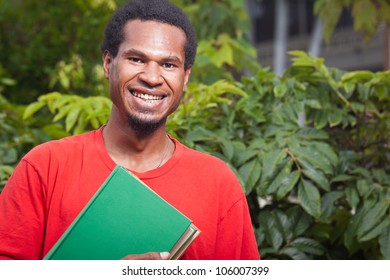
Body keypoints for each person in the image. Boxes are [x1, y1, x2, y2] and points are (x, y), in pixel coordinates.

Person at [0, 0, 260, 260]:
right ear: (107, 63)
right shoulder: (45, 167)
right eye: (136, 59)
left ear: (186, 77)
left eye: (169, 65)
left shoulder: (218, 185)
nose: (152, 77)